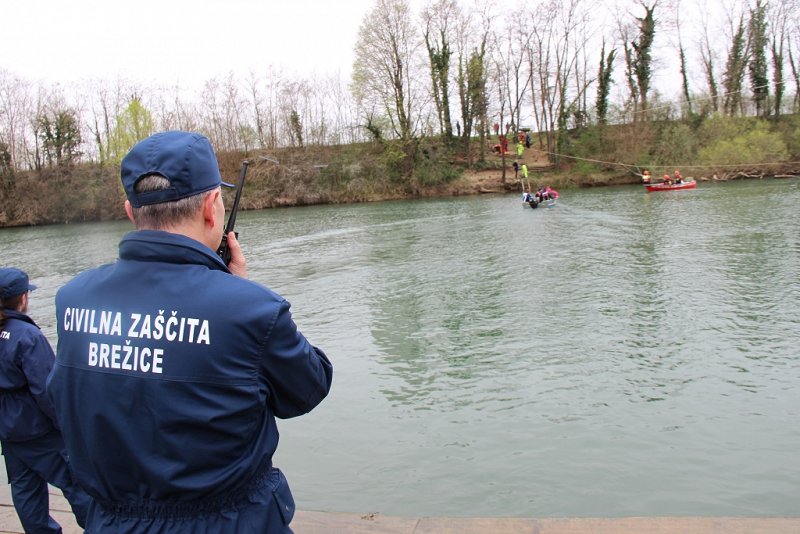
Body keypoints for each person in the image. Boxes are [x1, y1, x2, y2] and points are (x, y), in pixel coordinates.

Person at [47, 131, 334, 533]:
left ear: (131, 212)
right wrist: (244, 291)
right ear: (211, 207)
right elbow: (308, 387)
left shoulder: (72, 300)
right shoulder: (251, 308)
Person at [0, 267, 91, 533]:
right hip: (39, 431)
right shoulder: (27, 336)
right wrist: (67, 425)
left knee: (26, 491)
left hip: (9, 430)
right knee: (77, 485)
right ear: (23, 298)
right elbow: (46, 389)